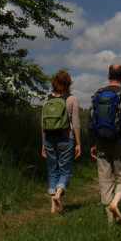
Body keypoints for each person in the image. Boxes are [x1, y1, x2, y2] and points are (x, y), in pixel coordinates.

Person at [88, 63, 121, 224]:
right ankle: (115, 203)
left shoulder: (98, 94)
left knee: (105, 180)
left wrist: (92, 144)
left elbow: (90, 121)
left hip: (101, 142)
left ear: (108, 76)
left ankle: (110, 223)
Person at [40, 69, 81, 214]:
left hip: (49, 139)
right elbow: (75, 124)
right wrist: (78, 143)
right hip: (65, 138)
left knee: (52, 172)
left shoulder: (48, 98)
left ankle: (53, 207)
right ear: (68, 83)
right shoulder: (72, 99)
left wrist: (43, 144)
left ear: (54, 83)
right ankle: (58, 195)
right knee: (65, 171)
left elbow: (43, 124)